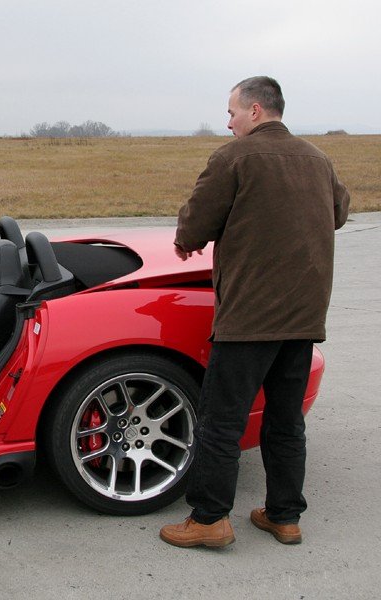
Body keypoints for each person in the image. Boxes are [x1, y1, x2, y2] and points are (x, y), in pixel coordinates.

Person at [159, 76, 350, 548]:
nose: (228, 122)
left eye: (232, 113)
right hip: (303, 316)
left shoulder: (234, 158)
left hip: (249, 318)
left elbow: (198, 218)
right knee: (286, 421)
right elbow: (339, 211)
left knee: (222, 420)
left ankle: (208, 520)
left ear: (257, 110)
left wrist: (186, 242)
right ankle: (284, 516)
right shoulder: (319, 160)